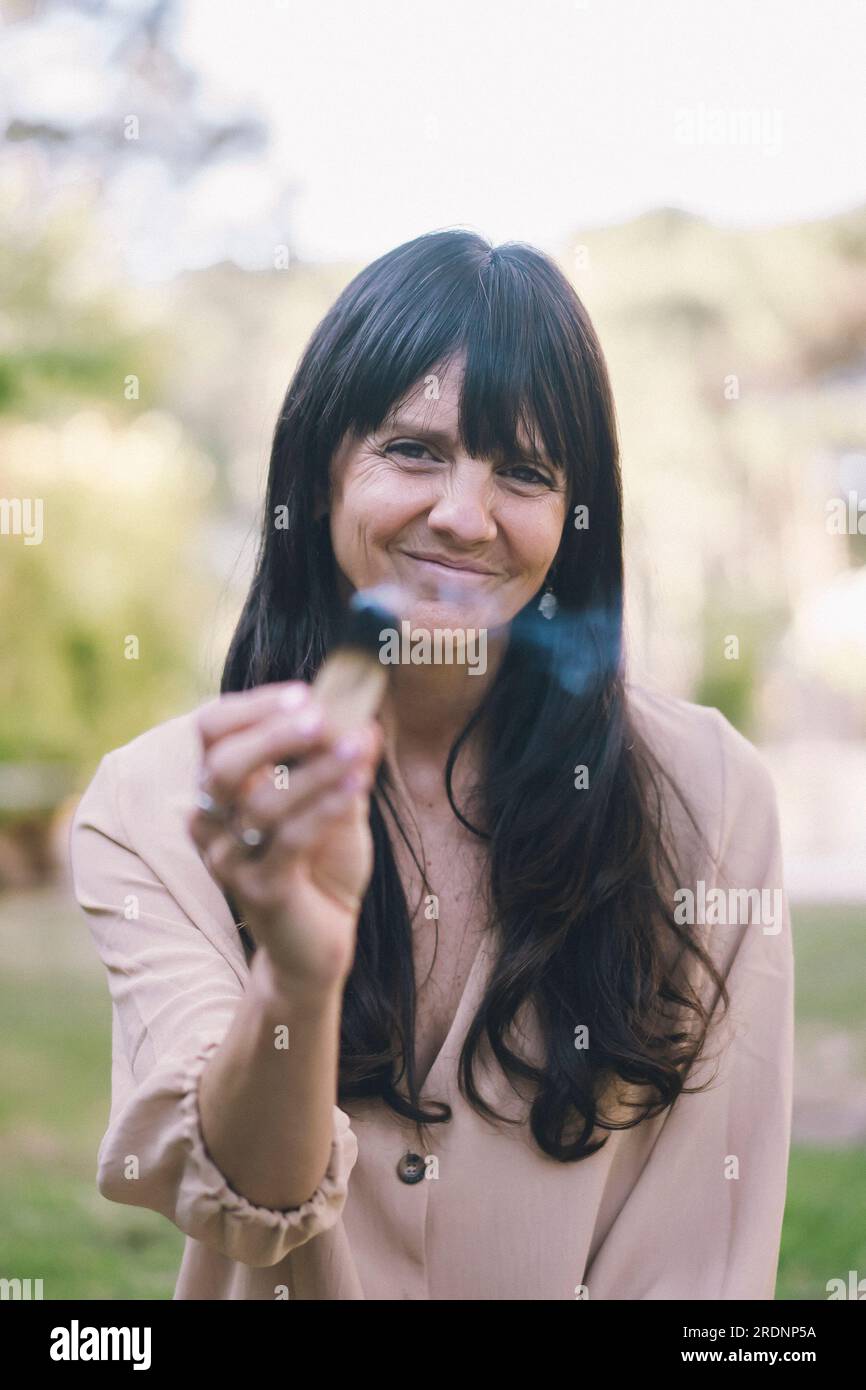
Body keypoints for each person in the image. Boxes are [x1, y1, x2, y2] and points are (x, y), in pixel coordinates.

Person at [70, 229, 794, 1301]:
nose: (463, 518)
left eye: (525, 472)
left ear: (572, 522)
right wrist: (297, 972)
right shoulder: (154, 803)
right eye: (412, 450)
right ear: (318, 471)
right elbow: (248, 1201)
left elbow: (696, 1267)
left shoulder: (712, 801)